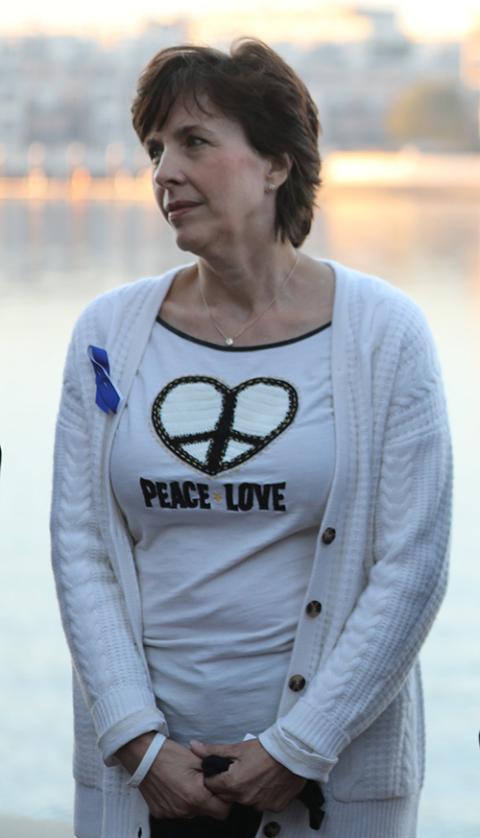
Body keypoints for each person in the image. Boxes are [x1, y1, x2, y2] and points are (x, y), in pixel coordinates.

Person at [51, 38, 453, 838]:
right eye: (156, 148)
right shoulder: (108, 331)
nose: (164, 171)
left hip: (326, 783)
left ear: (276, 163)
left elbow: (413, 562)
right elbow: (82, 546)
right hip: (145, 781)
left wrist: (299, 748)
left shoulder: (385, 334)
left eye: (195, 143)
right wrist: (135, 740)